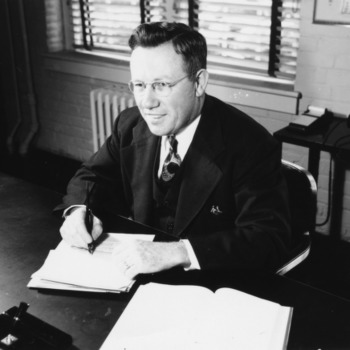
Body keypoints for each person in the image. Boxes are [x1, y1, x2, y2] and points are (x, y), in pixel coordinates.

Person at [58, 21, 291, 279]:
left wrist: (178, 252)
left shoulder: (251, 144)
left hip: (211, 285)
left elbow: (267, 239)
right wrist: (77, 212)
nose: (147, 102)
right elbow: (91, 176)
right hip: (138, 277)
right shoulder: (130, 124)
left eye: (161, 85)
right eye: (139, 85)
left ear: (199, 82)